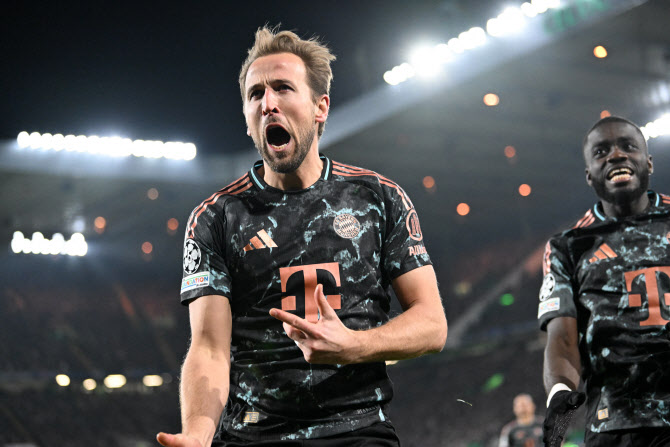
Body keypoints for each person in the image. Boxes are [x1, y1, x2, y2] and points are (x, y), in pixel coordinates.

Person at [156, 26, 447, 447]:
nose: (268, 104)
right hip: (251, 435)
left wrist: (354, 345)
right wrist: (199, 433)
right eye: (255, 94)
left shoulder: (378, 198)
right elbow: (209, 348)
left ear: (320, 107)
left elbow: (432, 324)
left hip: (357, 430)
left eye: (283, 88)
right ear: (247, 118)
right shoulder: (216, 217)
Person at [539, 116, 670, 446]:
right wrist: (560, 396)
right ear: (589, 175)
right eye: (601, 152)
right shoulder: (568, 246)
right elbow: (562, 338)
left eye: (628, 146)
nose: (616, 156)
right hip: (614, 427)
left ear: (648, 162)